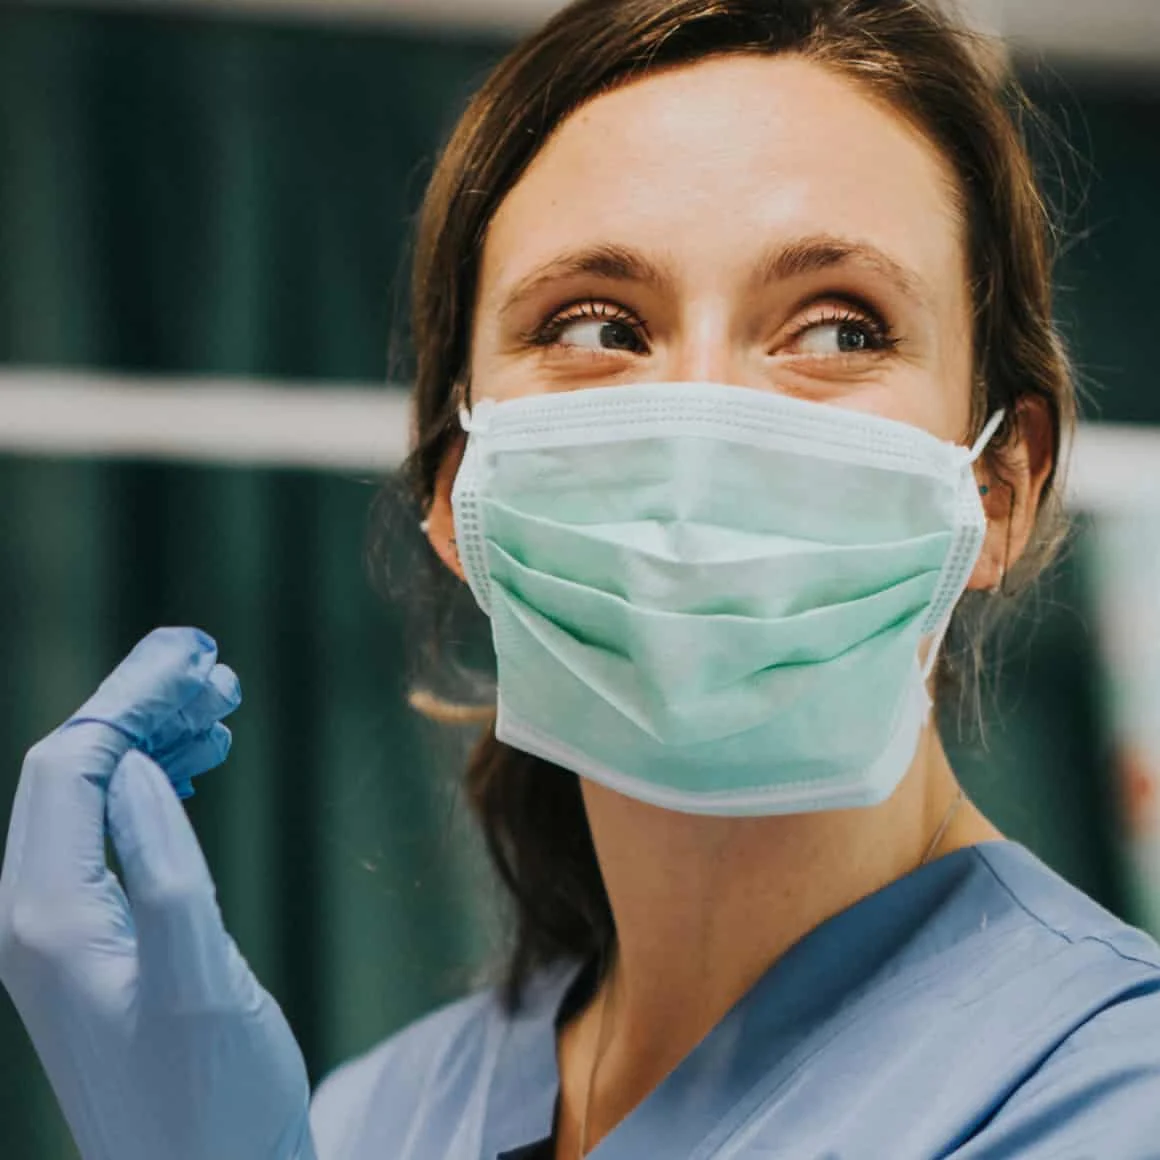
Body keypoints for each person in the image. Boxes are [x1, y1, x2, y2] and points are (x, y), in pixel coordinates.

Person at [2, 0, 1159, 1157]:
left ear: (998, 486)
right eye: (598, 326)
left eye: (838, 328)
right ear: (460, 492)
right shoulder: (377, 1114)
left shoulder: (1108, 1094)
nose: (700, 425)